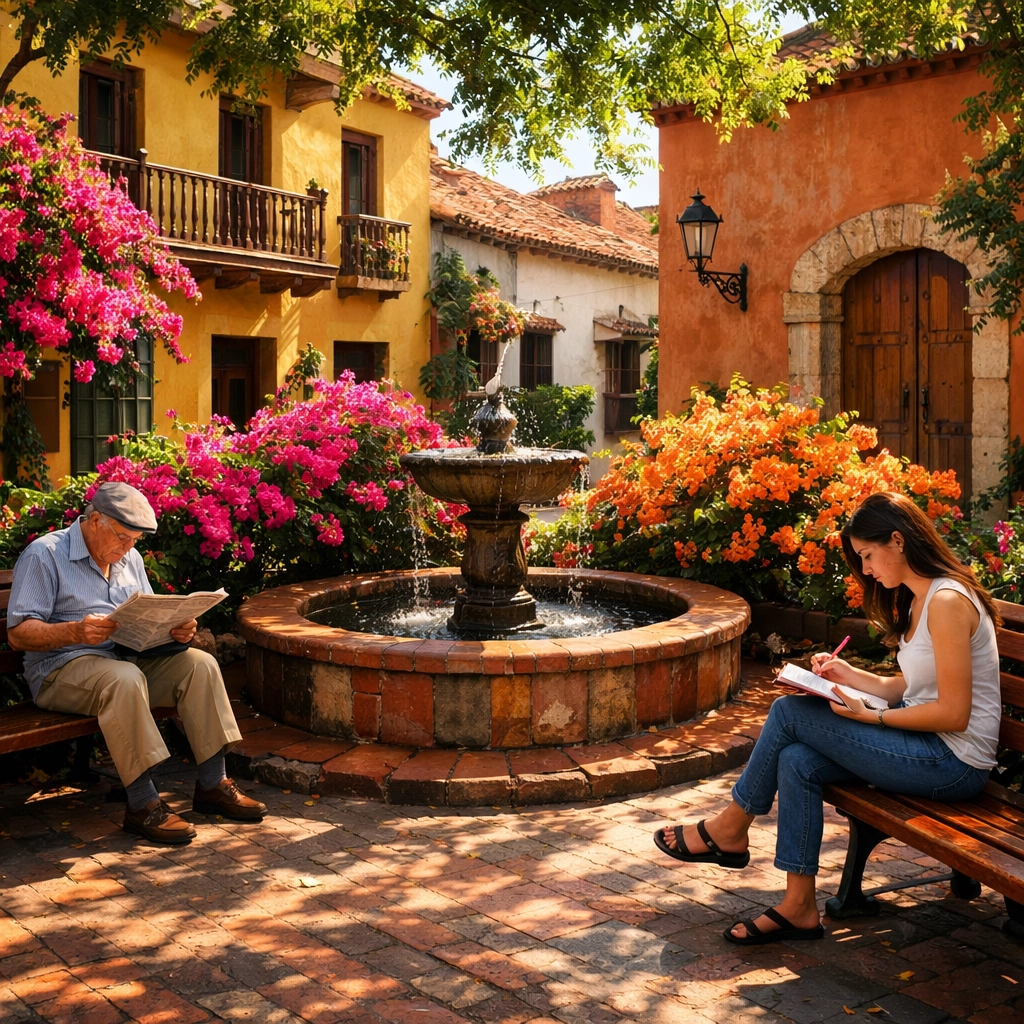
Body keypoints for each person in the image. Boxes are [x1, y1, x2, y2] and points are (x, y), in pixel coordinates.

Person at [653, 491, 1001, 945]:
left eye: (869, 556)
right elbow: (909, 688)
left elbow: (954, 714)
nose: (869, 570)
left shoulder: (948, 602)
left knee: (788, 712)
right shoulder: (921, 598)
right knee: (797, 758)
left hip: (953, 764)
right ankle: (798, 906)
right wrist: (851, 676)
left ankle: (729, 829)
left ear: (898, 540)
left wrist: (870, 720)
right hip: (929, 749)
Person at [8, 481, 266, 845]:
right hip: (60, 670)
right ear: (94, 520)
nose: (128, 548)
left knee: (200, 665)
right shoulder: (45, 554)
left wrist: (176, 629)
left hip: (126, 662)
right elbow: (19, 634)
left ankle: (213, 785)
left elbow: (143, 619)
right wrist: (75, 632)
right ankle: (143, 805)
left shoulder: (129, 558)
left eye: (134, 541)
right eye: (122, 537)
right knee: (124, 679)